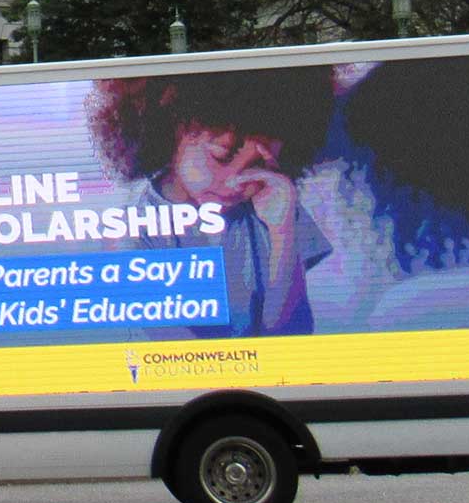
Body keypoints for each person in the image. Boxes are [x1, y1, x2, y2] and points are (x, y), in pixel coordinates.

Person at [87, 66, 335, 336]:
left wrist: (282, 231)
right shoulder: (130, 230)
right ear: (173, 129)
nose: (235, 181)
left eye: (259, 164)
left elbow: (294, 337)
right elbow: (173, 356)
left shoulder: (276, 204)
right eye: (223, 155)